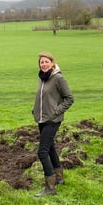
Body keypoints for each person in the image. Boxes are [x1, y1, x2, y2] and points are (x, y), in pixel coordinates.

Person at [32, 52, 74, 197]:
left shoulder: (58, 78)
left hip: (52, 120)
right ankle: (59, 177)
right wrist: (35, 110)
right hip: (42, 118)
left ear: (52, 63)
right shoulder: (42, 77)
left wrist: (56, 111)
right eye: (41, 62)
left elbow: (69, 98)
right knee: (50, 148)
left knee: (42, 152)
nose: (44, 64)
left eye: (46, 61)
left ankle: (50, 187)